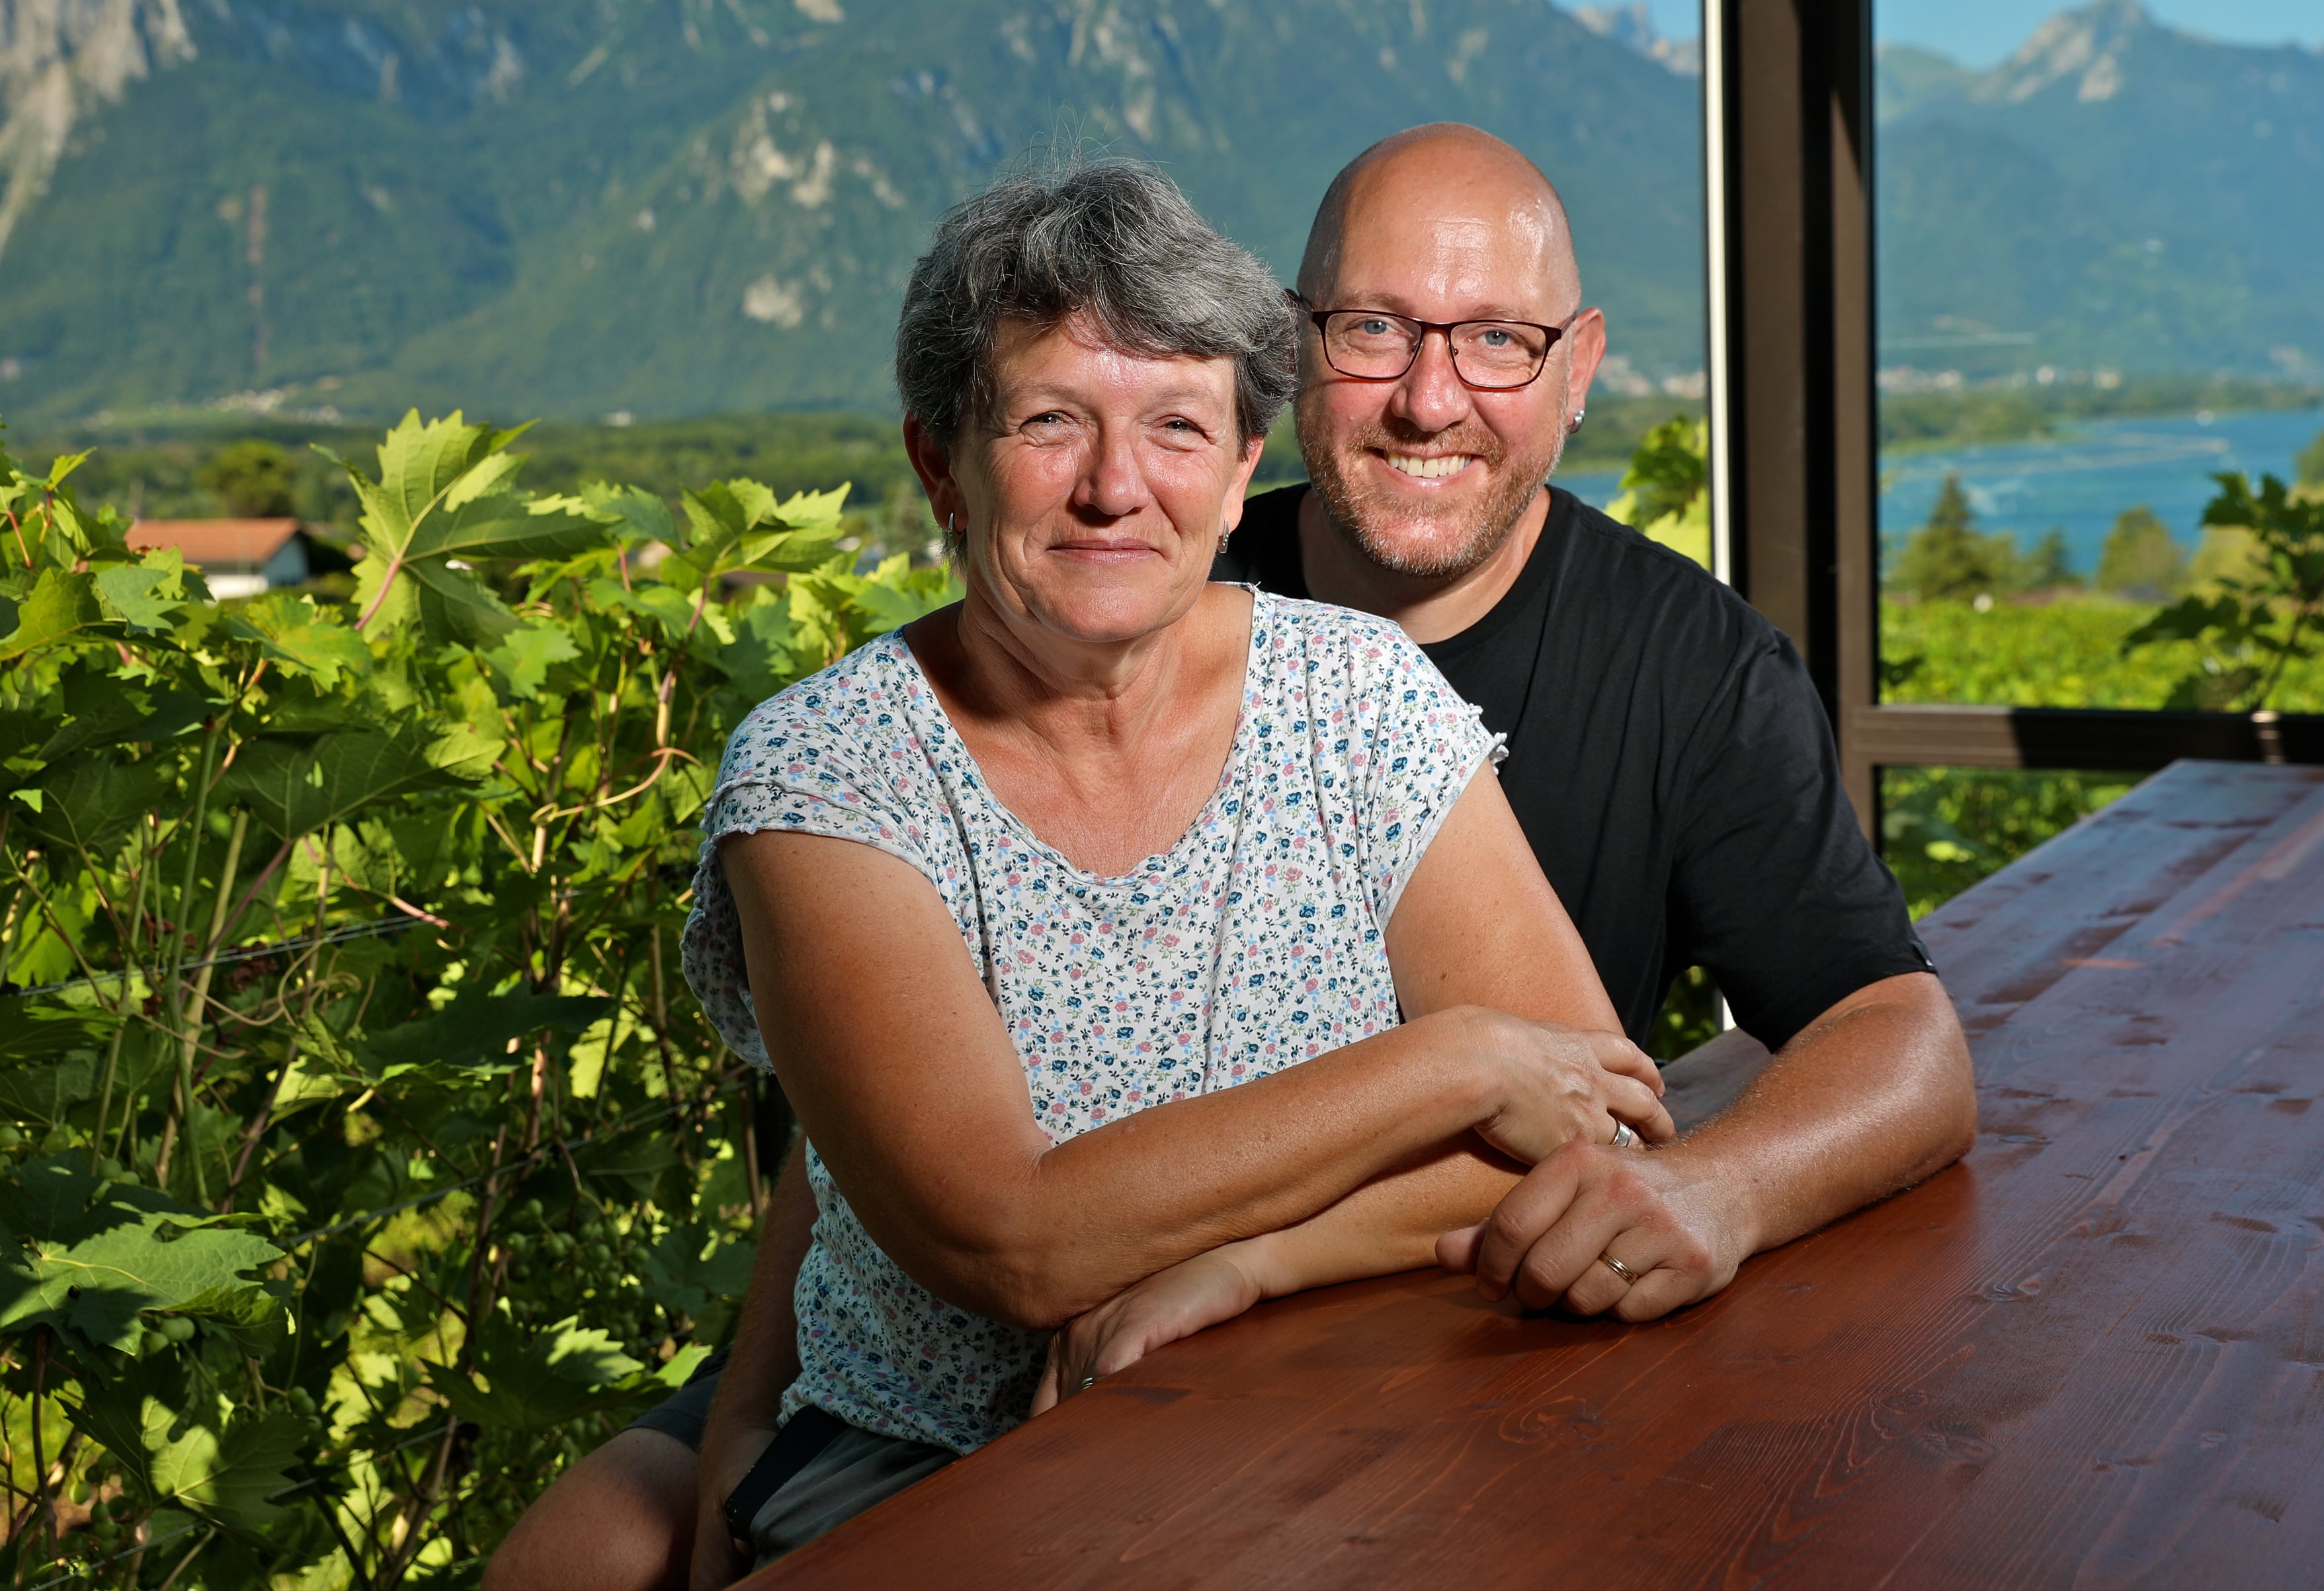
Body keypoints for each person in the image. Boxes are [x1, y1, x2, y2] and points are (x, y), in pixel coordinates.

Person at [494, 126, 1976, 1588]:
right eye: (1048, 423)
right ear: (944, 467)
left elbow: (1627, 1115)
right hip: (948, 1422)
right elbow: (962, 1210)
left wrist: (1255, 1259)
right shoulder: (863, 750)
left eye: (1176, 429)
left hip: (1347, 1373)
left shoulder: (1420, 685)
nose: (1116, 486)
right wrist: (1452, 1062)